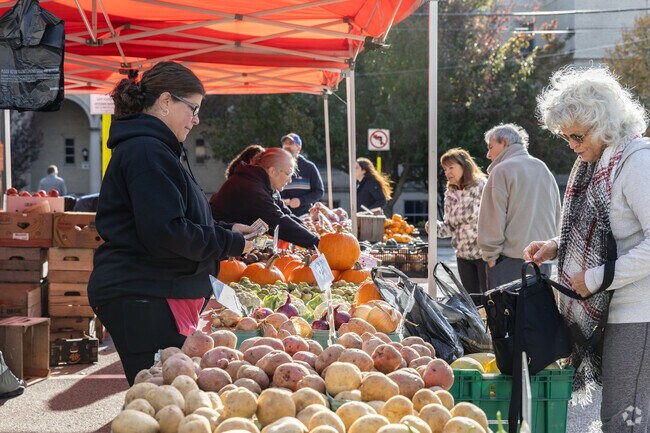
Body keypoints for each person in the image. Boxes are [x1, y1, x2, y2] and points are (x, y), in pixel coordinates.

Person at [87, 61, 253, 386]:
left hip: (154, 290)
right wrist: (231, 243)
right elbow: (166, 233)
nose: (196, 118)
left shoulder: (155, 149)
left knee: (165, 398)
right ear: (165, 101)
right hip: (144, 294)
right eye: (193, 108)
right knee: (159, 397)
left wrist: (227, 232)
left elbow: (175, 219)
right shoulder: (147, 152)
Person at [524, 66, 650, 432]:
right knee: (621, 413)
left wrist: (595, 277)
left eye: (577, 136)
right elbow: (604, 234)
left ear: (605, 123)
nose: (573, 146)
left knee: (624, 417)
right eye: (566, 138)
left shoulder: (637, 162)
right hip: (617, 307)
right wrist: (555, 247)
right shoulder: (601, 163)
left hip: (638, 311)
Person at [477, 123, 561, 289]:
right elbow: (557, 213)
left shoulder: (501, 171)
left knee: (507, 312)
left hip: (508, 261)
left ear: (505, 143)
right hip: (542, 258)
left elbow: (492, 218)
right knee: (535, 312)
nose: (488, 154)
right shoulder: (542, 167)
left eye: (491, 147)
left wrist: (490, 256)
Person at [210, 147, 320, 249]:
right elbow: (279, 222)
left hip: (233, 245)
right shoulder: (251, 188)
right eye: (289, 174)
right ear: (272, 171)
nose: (290, 180)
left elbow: (286, 214)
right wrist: (317, 243)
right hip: (219, 248)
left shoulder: (263, 183)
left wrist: (313, 235)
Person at [435, 148, 487, 302]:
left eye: (451, 167)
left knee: (489, 298)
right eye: (445, 169)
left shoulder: (481, 186)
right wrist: (432, 227)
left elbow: (483, 217)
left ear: (464, 166)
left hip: (484, 253)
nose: (447, 172)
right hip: (462, 254)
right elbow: (448, 228)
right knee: (471, 301)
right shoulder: (449, 193)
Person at [279, 132, 324, 217]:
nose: (287, 146)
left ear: (299, 148)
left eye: (291, 143)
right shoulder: (277, 167)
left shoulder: (309, 167)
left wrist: (301, 201)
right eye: (285, 143)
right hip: (281, 215)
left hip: (304, 215)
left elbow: (319, 191)